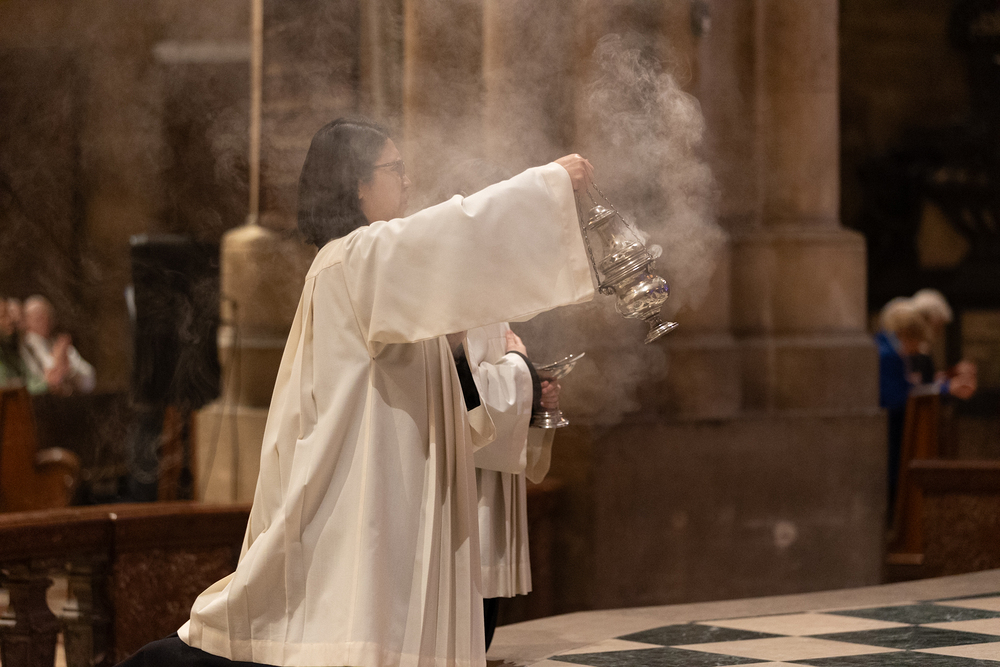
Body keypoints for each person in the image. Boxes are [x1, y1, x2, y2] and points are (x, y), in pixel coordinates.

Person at [119, 117, 594, 667]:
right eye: (394, 169)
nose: (407, 180)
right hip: (364, 498)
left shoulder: (362, 262)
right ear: (357, 185)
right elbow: (458, 230)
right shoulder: (358, 257)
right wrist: (545, 186)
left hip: (394, 495)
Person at [434, 159, 562, 651]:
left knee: (482, 627)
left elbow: (496, 382)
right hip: (464, 485)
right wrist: (520, 368)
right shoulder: (449, 295)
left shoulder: (489, 296)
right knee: (463, 626)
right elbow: (461, 394)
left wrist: (535, 395)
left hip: (489, 480)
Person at [19, 295, 96, 395]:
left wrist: (69, 370)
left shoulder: (59, 344)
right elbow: (49, 380)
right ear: (26, 320)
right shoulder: (25, 347)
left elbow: (89, 377)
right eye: (36, 316)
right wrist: (58, 361)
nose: (42, 320)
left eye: (45, 315)